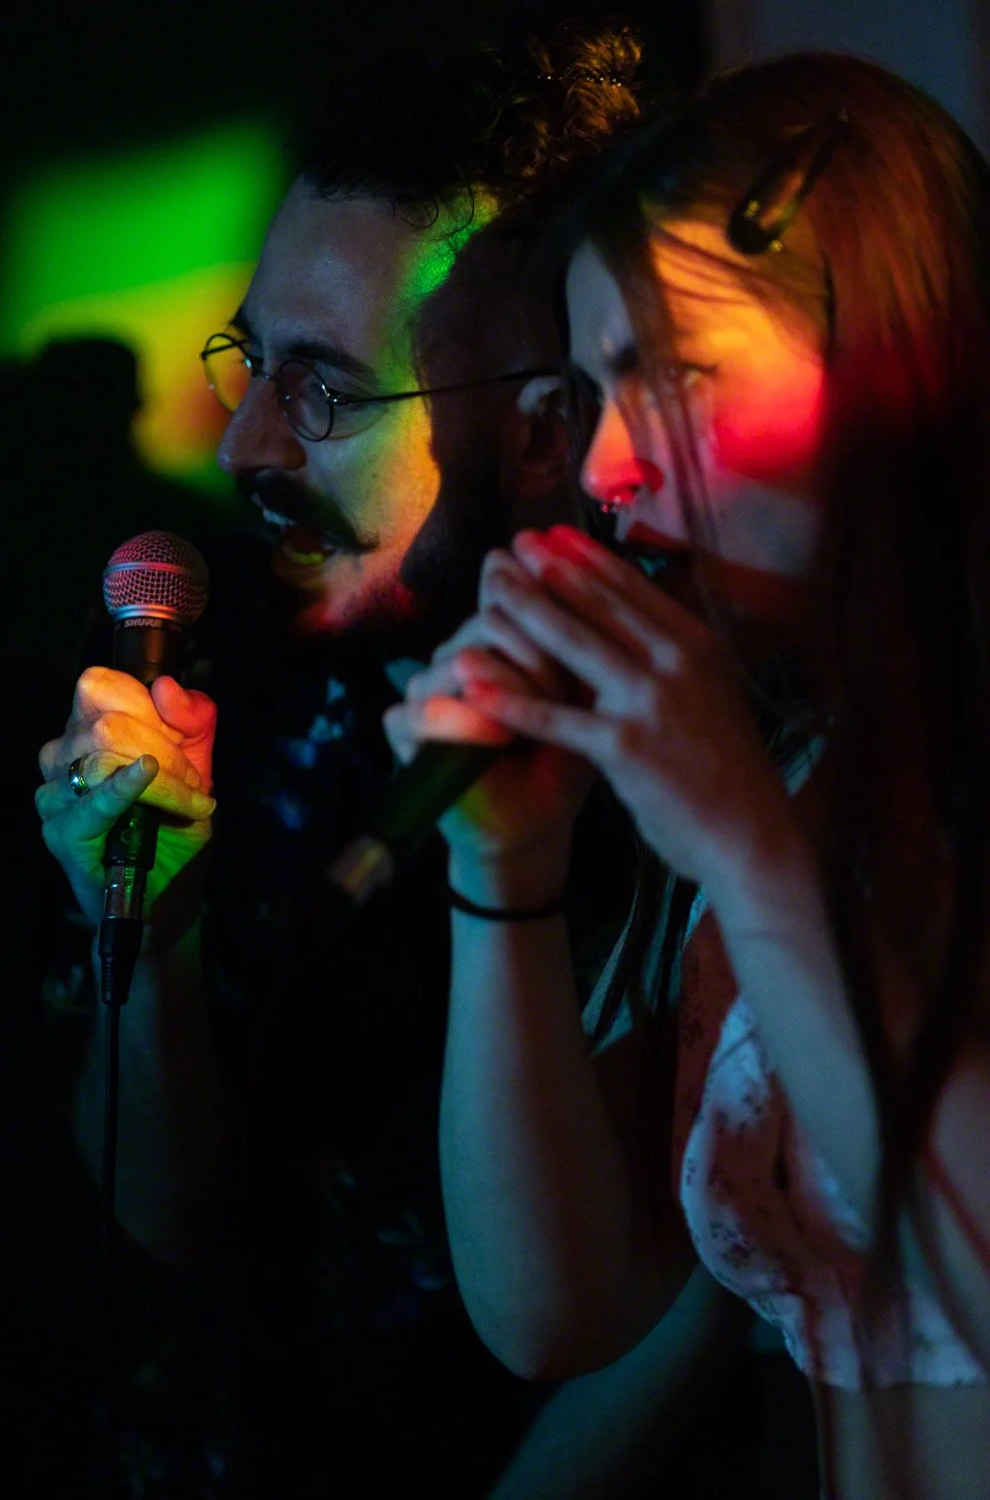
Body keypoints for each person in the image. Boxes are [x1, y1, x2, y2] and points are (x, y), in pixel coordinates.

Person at [30, 18, 686, 1498]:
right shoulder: (199, 661)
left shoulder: (677, 755)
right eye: (251, 361)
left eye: (322, 388)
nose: (243, 444)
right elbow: (165, 1216)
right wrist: (154, 939)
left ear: (542, 432)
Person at [386, 51, 990, 1499]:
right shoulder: (784, 761)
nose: (603, 469)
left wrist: (741, 844)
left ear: (894, 358)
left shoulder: (753, 806)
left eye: (674, 377)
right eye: (594, 392)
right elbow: (559, 1313)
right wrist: (505, 879)